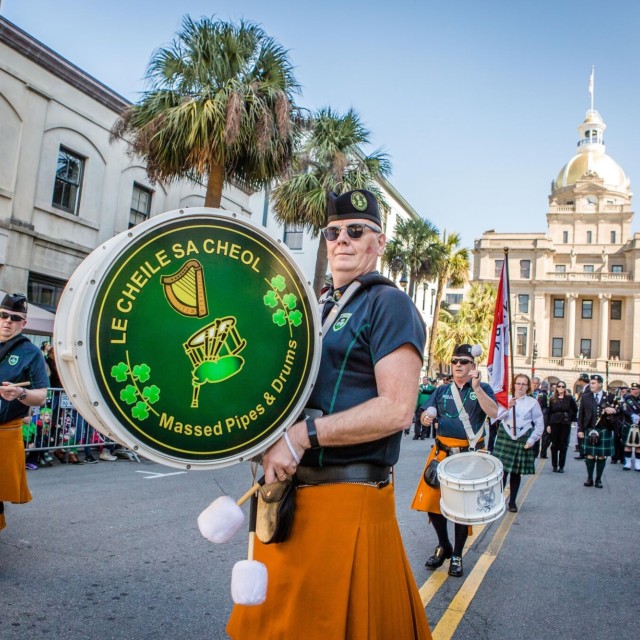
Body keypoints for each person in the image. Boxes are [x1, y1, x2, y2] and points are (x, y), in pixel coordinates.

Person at [227, 189, 431, 639]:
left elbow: (397, 410)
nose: (343, 240)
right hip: (292, 498)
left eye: (356, 231)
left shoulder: (389, 304)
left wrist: (300, 438)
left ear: (378, 243)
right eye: (333, 232)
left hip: (347, 499)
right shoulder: (317, 306)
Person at [411, 344, 498, 578]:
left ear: (473, 365)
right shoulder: (442, 390)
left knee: (460, 510)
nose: (457, 365)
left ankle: (457, 553)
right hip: (441, 455)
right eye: (455, 360)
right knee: (433, 506)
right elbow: (426, 409)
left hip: (468, 457)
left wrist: (478, 389)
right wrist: (424, 418)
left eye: (463, 361)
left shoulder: (483, 388)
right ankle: (444, 545)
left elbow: (493, 413)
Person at [0, 293, 49, 532]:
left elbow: (41, 394)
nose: (7, 321)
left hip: (5, 430)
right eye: (3, 315)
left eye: (15, 318)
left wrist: (20, 393)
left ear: (24, 323)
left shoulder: (31, 353)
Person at [492, 374, 544, 512]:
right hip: (506, 436)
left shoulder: (533, 402)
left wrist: (532, 440)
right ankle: (498, 500)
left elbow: (539, 424)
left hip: (522, 437)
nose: (520, 386)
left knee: (515, 473)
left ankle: (512, 501)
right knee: (501, 472)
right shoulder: (506, 399)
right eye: (518, 383)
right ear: (514, 384)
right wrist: (508, 407)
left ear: (528, 387)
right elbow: (496, 417)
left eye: (524, 384)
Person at [577, 374, 619, 488]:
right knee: (590, 455)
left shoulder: (610, 396)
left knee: (601, 456)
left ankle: (598, 479)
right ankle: (589, 478)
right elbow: (581, 415)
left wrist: (614, 410)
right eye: (590, 383)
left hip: (604, 429)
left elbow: (619, 410)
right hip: (590, 428)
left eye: (593, 383)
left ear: (600, 384)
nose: (591, 385)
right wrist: (580, 430)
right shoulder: (585, 396)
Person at [545, 380, 578, 473]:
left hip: (565, 423)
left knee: (563, 445)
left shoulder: (569, 398)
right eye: (559, 386)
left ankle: (561, 466)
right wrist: (548, 425)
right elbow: (549, 412)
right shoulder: (552, 399)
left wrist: (571, 419)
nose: (561, 388)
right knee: (554, 445)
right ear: (556, 387)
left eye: (563, 386)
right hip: (554, 422)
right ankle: (554, 465)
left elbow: (575, 409)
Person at [620, 382, 640, 470]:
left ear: (638, 390)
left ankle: (638, 463)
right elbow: (624, 409)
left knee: (639, 446)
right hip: (629, 423)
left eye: (634, 389)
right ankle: (627, 463)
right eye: (631, 389)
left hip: (639, 424)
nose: (632, 390)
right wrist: (632, 415)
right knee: (627, 444)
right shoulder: (627, 398)